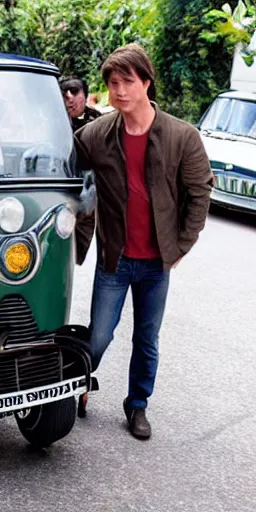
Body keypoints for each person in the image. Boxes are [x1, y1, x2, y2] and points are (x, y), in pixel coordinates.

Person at [74, 44, 212, 439]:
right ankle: (78, 383)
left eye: (127, 82)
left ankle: (137, 405)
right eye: (112, 83)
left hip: (156, 263)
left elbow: (200, 192)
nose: (119, 90)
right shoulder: (97, 135)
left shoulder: (182, 136)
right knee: (98, 335)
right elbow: (66, 170)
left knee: (147, 339)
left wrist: (182, 246)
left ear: (146, 82)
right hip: (115, 260)